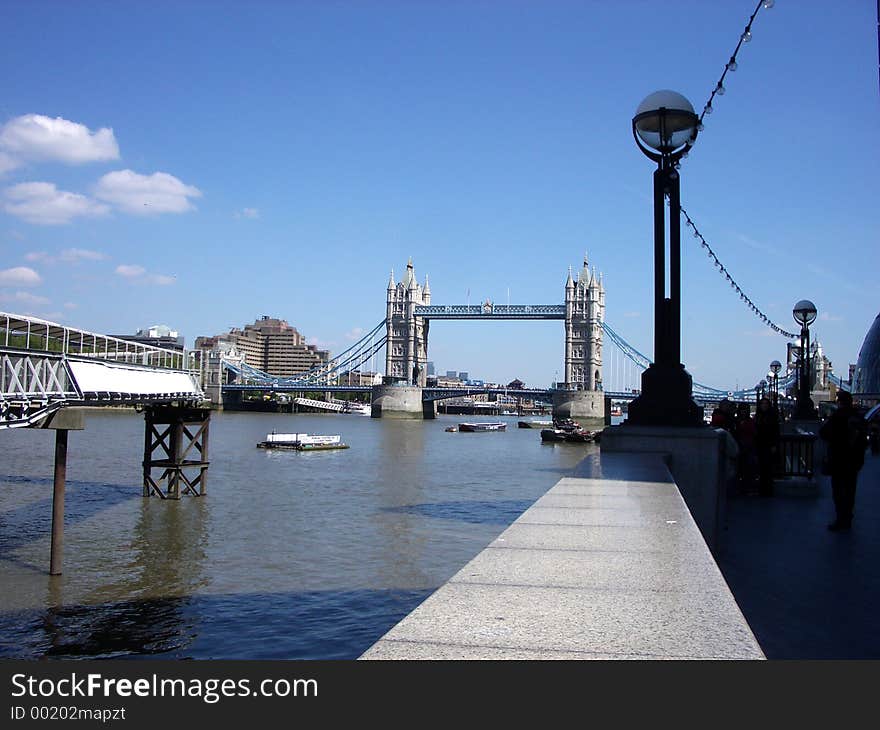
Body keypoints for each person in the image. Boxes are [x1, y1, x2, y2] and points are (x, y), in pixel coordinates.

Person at [819, 391, 868, 531]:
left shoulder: (837, 416)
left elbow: (823, 433)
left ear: (839, 402)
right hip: (854, 460)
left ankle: (841, 519)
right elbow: (864, 439)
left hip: (838, 459)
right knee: (850, 489)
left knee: (838, 490)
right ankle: (848, 516)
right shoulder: (858, 417)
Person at [754, 397, 779, 497]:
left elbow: (776, 432)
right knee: (761, 469)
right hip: (759, 445)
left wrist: (774, 445)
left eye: (766, 404)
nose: (764, 405)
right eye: (762, 403)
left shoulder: (772, 417)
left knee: (768, 469)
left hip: (769, 445)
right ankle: (762, 490)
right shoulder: (757, 416)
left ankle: (768, 491)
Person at [734, 402, 757, 495]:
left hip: (747, 448)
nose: (743, 412)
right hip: (740, 447)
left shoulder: (749, 422)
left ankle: (745, 488)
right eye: (742, 410)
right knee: (740, 469)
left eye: (745, 410)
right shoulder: (737, 421)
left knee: (747, 469)